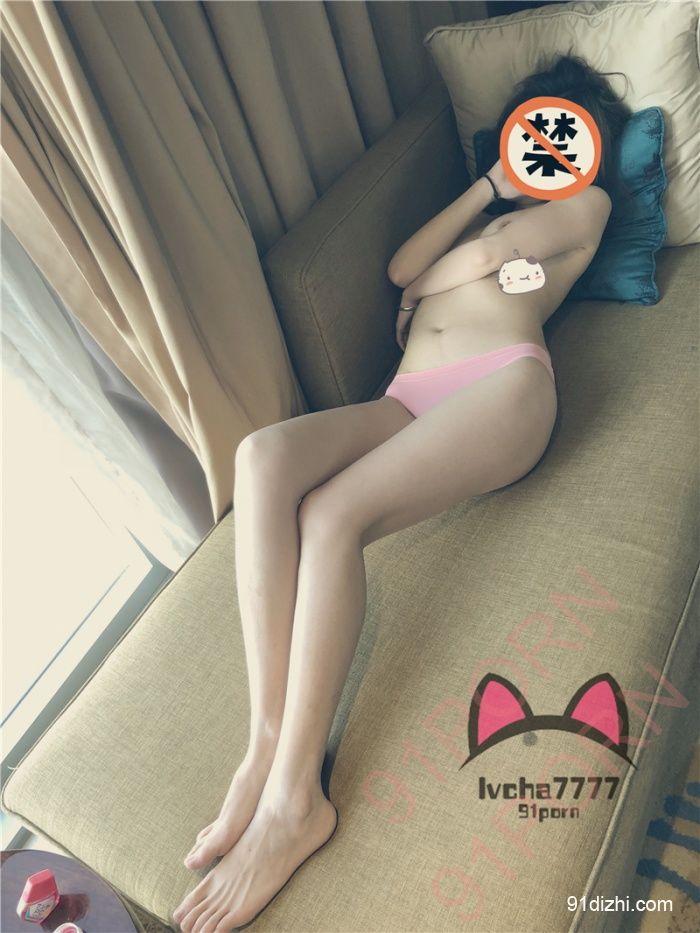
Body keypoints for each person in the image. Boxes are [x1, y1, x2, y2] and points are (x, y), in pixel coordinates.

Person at [173, 53, 631, 932]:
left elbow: (484, 261)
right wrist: (486, 188)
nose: (547, 144)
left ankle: (296, 800)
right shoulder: (494, 201)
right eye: (533, 126)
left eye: (566, 132)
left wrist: (441, 275)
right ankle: (266, 738)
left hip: (503, 384)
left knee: (331, 514)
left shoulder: (589, 206)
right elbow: (399, 267)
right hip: (408, 397)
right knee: (264, 458)